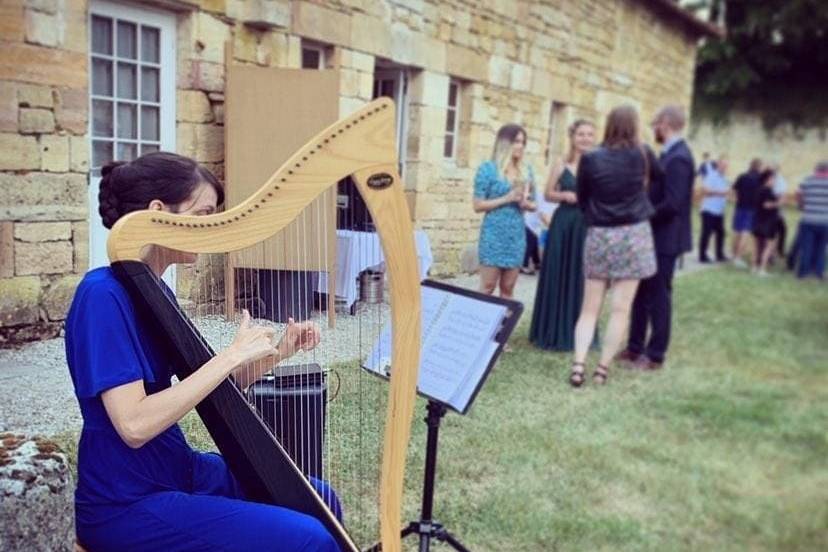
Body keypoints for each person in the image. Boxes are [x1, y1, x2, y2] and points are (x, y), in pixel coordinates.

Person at [66, 152, 340, 551]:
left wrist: (277, 352)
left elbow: (209, 387)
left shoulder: (153, 289)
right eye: (205, 213)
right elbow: (134, 425)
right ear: (159, 213)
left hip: (178, 469)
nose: (212, 226)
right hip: (125, 501)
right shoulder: (102, 296)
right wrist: (230, 354)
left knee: (319, 499)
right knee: (309, 538)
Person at [569, 106, 659, 386]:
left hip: (601, 235)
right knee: (621, 310)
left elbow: (582, 197)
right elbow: (660, 182)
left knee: (589, 308)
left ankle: (578, 365)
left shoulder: (590, 158)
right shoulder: (644, 153)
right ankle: (602, 369)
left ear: (608, 125)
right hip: (634, 235)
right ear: (634, 125)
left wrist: (597, 216)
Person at [619, 105, 694, 371]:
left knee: (659, 296)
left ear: (665, 124)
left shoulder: (680, 158)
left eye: (655, 125)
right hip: (652, 237)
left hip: (665, 239)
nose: (654, 131)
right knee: (640, 293)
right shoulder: (669, 154)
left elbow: (673, 203)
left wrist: (641, 214)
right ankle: (634, 346)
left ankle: (655, 355)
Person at [530, 119, 595, 351]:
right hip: (563, 223)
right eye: (581, 134)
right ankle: (552, 330)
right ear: (573, 137)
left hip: (586, 225)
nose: (585, 138)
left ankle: (578, 331)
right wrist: (565, 195)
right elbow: (547, 194)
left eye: (589, 134)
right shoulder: (561, 163)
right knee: (558, 271)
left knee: (581, 275)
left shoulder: (596, 164)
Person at [473, 124, 536, 299]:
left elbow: (534, 204)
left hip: (516, 235)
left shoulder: (526, 171)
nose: (521, 146)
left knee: (508, 289)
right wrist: (506, 198)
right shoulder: (488, 169)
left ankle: (505, 327)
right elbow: (477, 205)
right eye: (516, 141)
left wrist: (526, 203)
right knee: (487, 287)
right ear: (504, 143)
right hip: (493, 234)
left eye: (523, 142)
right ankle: (480, 325)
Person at [794, 161, 828, 279]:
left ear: (816, 169)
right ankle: (818, 272)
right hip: (825, 220)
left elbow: (798, 193)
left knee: (807, 246)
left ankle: (803, 272)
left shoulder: (808, 180)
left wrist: (801, 205)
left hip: (808, 218)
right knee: (821, 247)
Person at [730, 159, 763, 267]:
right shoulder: (760, 179)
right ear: (759, 167)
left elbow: (734, 189)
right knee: (745, 232)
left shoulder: (742, 176)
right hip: (751, 209)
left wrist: (736, 199)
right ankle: (738, 257)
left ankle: (734, 255)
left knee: (737, 231)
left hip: (739, 207)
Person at [698, 156, 730, 263]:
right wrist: (721, 193)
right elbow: (705, 191)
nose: (725, 167)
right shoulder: (711, 176)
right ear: (718, 165)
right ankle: (702, 256)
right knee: (706, 233)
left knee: (721, 233)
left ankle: (719, 254)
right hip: (709, 209)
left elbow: (727, 193)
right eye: (723, 165)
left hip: (719, 211)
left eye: (726, 165)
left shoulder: (725, 179)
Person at [751, 169, 782, 276]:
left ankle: (754, 267)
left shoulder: (758, 189)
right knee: (768, 246)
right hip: (768, 221)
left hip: (757, 219)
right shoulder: (768, 190)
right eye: (773, 179)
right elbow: (766, 205)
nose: (774, 181)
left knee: (756, 246)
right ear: (768, 179)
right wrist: (778, 203)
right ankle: (762, 269)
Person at [771, 163, 788, 258]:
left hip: (777, 210)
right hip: (775, 210)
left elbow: (782, 195)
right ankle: (776, 252)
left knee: (780, 231)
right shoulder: (778, 180)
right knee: (778, 231)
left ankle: (777, 251)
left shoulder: (779, 180)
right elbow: (780, 195)